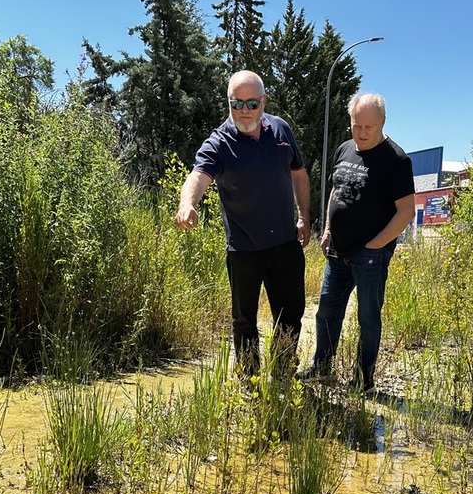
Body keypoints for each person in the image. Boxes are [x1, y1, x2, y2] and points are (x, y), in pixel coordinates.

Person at [177, 70, 311, 380]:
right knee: (244, 321)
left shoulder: (281, 130)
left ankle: (283, 375)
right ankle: (249, 381)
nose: (244, 111)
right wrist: (188, 203)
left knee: (290, 316)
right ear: (228, 103)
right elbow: (198, 176)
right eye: (236, 104)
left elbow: (299, 173)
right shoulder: (219, 142)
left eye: (252, 103)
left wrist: (303, 217)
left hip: (285, 246)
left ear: (264, 101)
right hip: (244, 250)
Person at [301, 92, 415, 393]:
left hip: (370, 257)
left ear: (383, 123)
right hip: (337, 251)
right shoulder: (343, 150)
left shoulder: (397, 160)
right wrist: (327, 230)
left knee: (367, 318)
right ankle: (321, 367)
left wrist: (376, 245)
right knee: (326, 311)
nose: (362, 133)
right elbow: (335, 194)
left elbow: (406, 211)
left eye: (369, 127)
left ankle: (364, 380)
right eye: (356, 126)